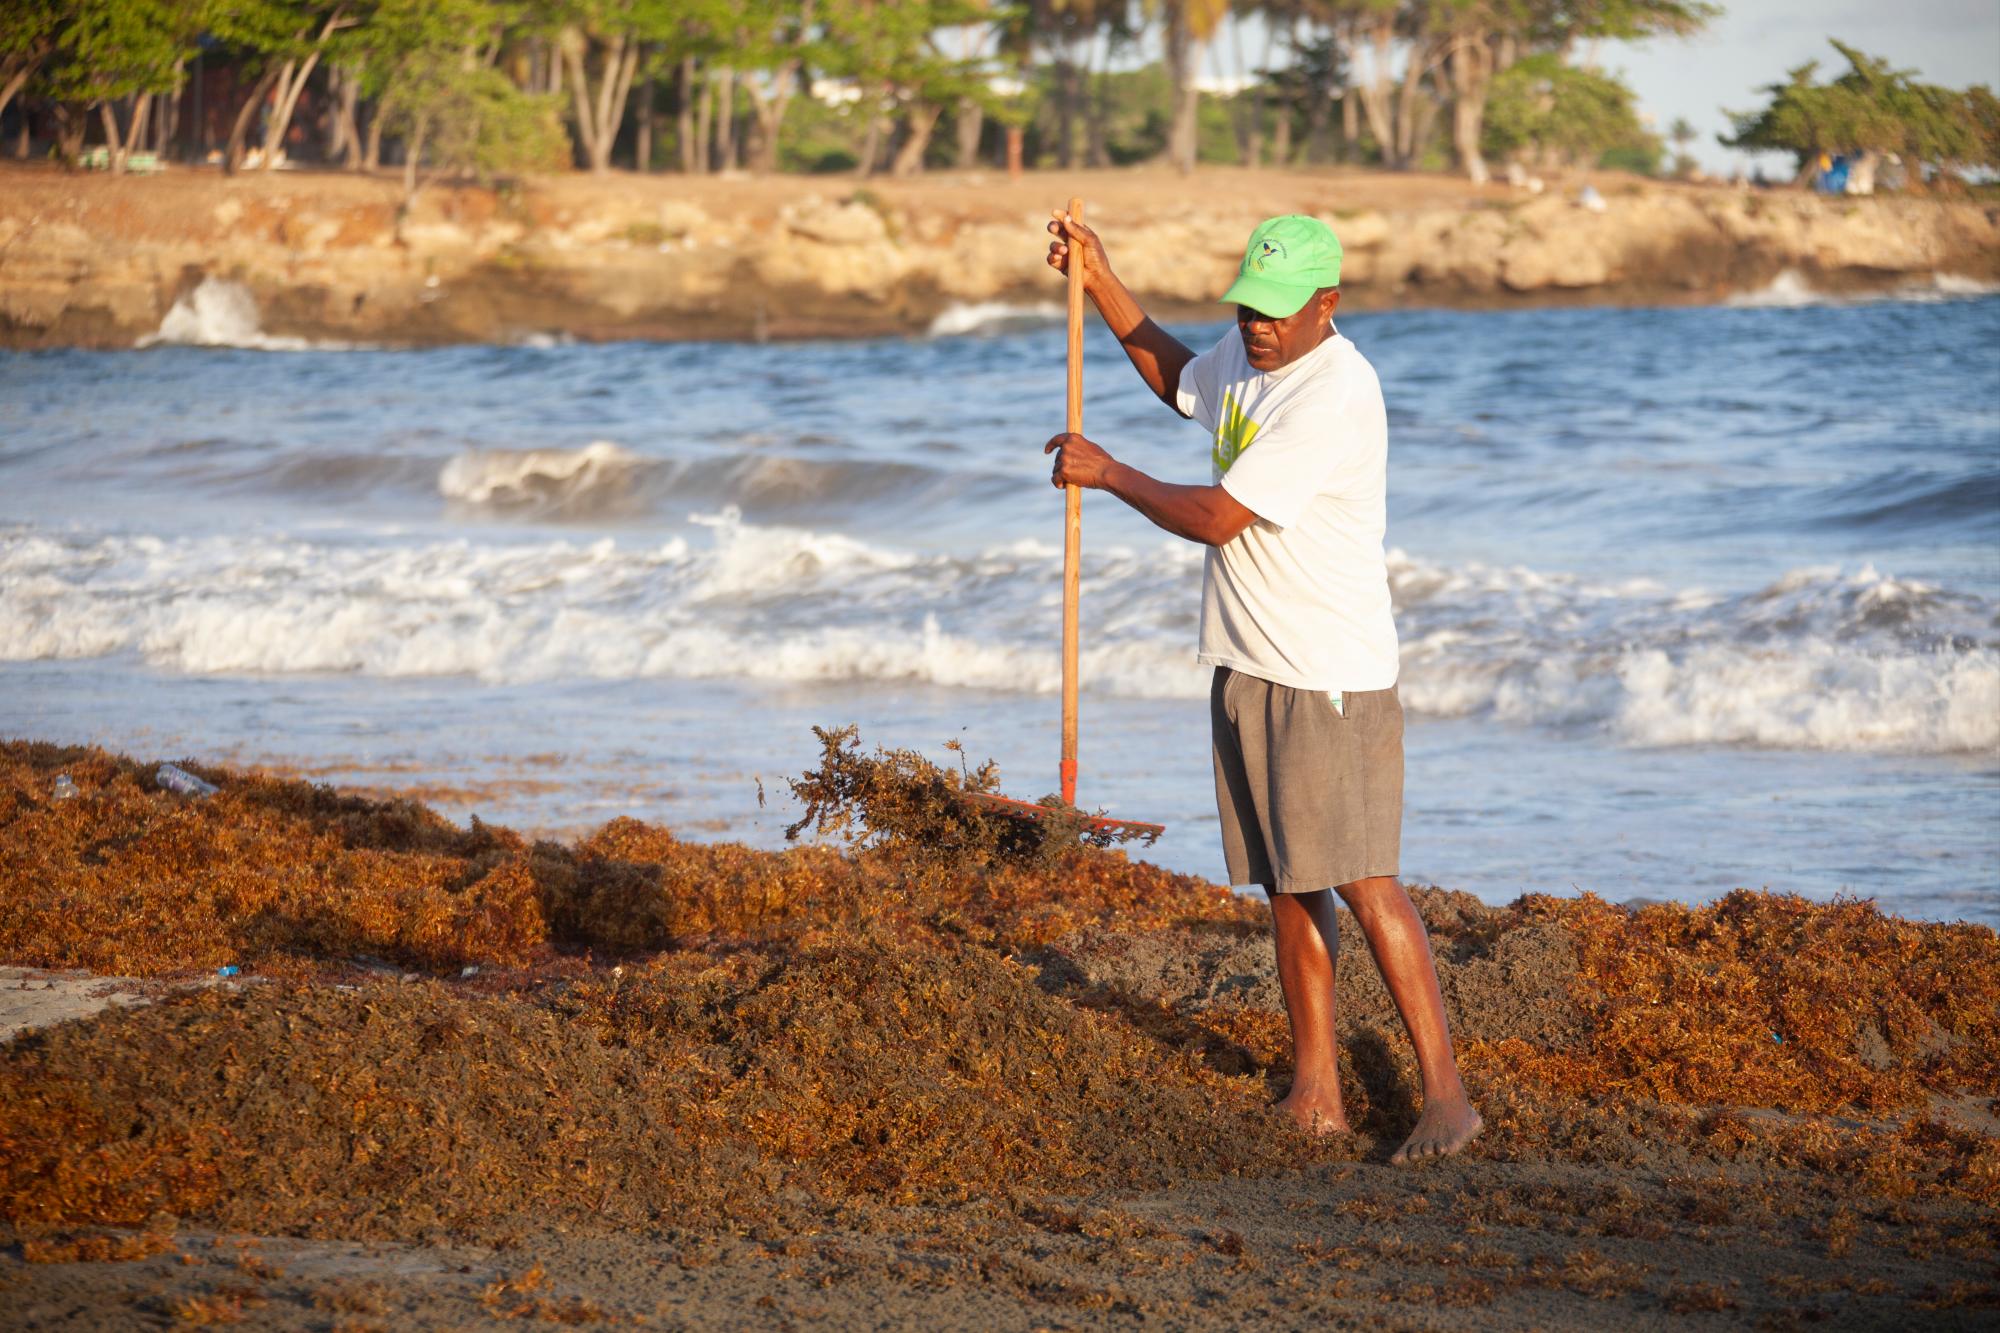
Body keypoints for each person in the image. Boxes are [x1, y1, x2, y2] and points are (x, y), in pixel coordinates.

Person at [1043, 210, 1481, 1164]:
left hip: (1328, 676)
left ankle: (1447, 1096)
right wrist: (1104, 279)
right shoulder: (1249, 359)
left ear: (1329, 304)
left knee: (1365, 881)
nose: (1257, 324)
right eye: (1248, 305)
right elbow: (1179, 382)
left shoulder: (1334, 394)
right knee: (1289, 884)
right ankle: (1315, 1089)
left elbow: (1214, 517)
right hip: (1250, 663)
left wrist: (1108, 472)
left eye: (1278, 310)